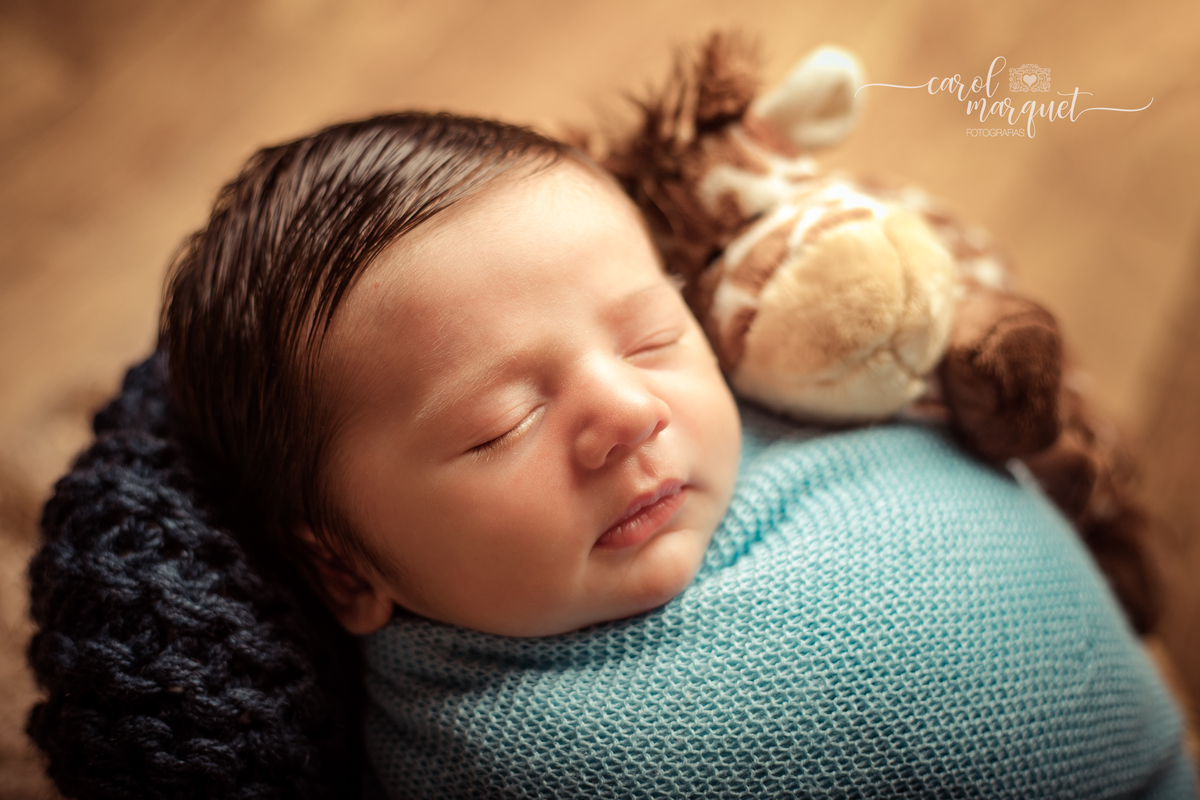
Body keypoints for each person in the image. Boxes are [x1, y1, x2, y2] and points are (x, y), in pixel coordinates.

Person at [161, 112, 1195, 798]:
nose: (628, 410)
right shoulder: (493, 750)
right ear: (345, 563)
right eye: (499, 424)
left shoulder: (794, 396)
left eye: (652, 336)